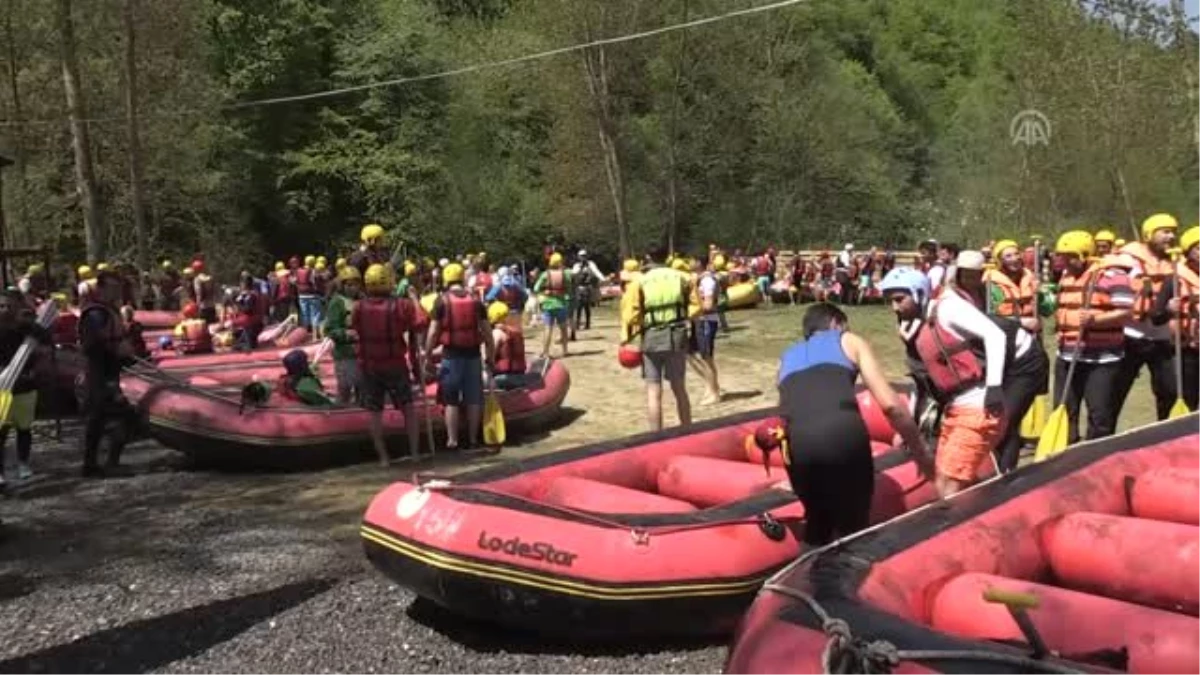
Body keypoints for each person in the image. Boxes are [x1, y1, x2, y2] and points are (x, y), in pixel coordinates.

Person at [769, 303, 931, 549]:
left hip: (797, 444)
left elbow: (786, 413)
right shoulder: (849, 340)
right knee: (854, 529)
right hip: (842, 434)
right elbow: (891, 406)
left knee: (817, 525)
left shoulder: (787, 356)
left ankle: (808, 583)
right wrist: (919, 449)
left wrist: (795, 474)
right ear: (836, 323)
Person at [879, 267, 1007, 497]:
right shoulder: (919, 324)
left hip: (979, 406)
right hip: (955, 409)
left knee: (948, 485)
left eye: (900, 300)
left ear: (918, 293)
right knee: (945, 480)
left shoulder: (948, 308)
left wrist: (995, 386)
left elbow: (996, 335)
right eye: (891, 301)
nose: (894, 308)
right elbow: (922, 380)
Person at [1051, 231, 1134, 443]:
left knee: (1099, 414)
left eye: (1071, 256)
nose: (1065, 261)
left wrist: (1096, 320)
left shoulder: (1112, 275)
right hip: (1068, 356)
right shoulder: (1066, 275)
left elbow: (1126, 312)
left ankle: (1097, 454)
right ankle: (1066, 452)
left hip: (1102, 359)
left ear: (1085, 254)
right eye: (1062, 256)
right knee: (1064, 409)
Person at [985, 239, 1052, 472]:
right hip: (1003, 351)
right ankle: (1002, 464)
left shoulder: (1030, 278)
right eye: (1008, 256)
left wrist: (1043, 296)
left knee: (1011, 416)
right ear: (999, 260)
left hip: (1030, 354)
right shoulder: (991, 283)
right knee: (1006, 417)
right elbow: (988, 316)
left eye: (1016, 255)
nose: (1015, 259)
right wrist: (1021, 321)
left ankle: (1007, 465)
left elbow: (1048, 310)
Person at [352, 264, 420, 466]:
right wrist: (415, 298)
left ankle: (383, 458)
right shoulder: (402, 305)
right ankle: (415, 453)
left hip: (369, 366)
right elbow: (420, 323)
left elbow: (355, 328)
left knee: (374, 412)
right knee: (407, 407)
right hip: (395, 364)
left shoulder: (358, 307)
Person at [1113, 213, 1179, 422]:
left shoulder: (1177, 262)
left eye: (1173, 232)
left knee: (1169, 392)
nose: (1171, 237)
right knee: (1115, 393)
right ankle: (1102, 437)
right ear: (1149, 234)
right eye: (1165, 232)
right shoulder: (1127, 259)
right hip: (1130, 336)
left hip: (1162, 338)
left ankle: (1165, 438)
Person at [79, 271, 140, 477]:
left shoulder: (110, 311)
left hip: (112, 370)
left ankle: (108, 462)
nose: (116, 292)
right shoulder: (95, 314)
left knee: (116, 417)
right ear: (102, 288)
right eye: (112, 288)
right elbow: (91, 346)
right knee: (102, 418)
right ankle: (93, 465)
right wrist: (116, 351)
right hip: (99, 372)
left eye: (118, 288)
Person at [428, 263, 495, 450]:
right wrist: (490, 357)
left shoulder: (441, 301)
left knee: (450, 400)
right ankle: (473, 439)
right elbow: (488, 334)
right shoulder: (476, 301)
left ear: (446, 280)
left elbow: (433, 332)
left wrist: (427, 355)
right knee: (474, 398)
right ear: (462, 279)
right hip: (473, 356)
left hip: (451, 356)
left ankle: (452, 440)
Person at [624, 255, 694, 431]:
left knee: (653, 391)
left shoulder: (640, 282)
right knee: (679, 388)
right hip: (677, 336)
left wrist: (645, 322)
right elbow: (696, 308)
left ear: (646, 260)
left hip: (652, 338)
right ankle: (687, 430)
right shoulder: (683, 278)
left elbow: (631, 316)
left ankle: (656, 434)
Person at [0, 290, 52, 483]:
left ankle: (23, 464)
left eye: (9, 306)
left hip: (25, 387)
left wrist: (34, 329)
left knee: (24, 428)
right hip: (2, 388)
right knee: (1, 430)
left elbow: (46, 340)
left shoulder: (27, 328)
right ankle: (1, 474)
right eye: (2, 306)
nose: (5, 310)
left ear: (18, 306)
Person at [1162, 226, 1200, 411]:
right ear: (1188, 252)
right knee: (1189, 400)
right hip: (1187, 352)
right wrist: (1168, 308)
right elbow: (1156, 316)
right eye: (1198, 248)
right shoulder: (1174, 279)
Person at [325, 265, 363, 404]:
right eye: (348, 285)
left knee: (362, 388)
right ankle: (342, 411)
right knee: (345, 388)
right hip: (344, 353)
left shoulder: (362, 300)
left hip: (362, 353)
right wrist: (346, 334)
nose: (352, 288)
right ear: (342, 285)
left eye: (355, 284)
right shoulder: (337, 302)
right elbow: (329, 329)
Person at [691, 258, 723, 405]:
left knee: (707, 357)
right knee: (690, 353)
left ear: (699, 263)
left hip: (706, 320)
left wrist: (691, 309)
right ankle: (710, 385)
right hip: (698, 320)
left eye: (692, 261)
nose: (689, 263)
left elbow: (708, 304)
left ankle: (714, 392)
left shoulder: (707, 280)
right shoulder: (698, 279)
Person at [533, 253, 572, 358]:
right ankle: (565, 350)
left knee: (548, 328)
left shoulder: (546, 274)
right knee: (563, 328)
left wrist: (544, 292)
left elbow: (536, 288)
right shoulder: (565, 274)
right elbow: (569, 288)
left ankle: (545, 352)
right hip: (561, 304)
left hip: (548, 304)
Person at [489, 301, 530, 390]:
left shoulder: (496, 333)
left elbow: (490, 357)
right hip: (520, 376)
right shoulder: (516, 331)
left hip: (503, 378)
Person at [570, 250, 604, 336]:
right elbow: (573, 274)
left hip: (588, 287)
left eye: (584, 256)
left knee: (587, 306)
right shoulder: (576, 265)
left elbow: (597, 272)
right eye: (581, 256)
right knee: (579, 306)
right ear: (578, 256)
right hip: (579, 287)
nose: (583, 257)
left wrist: (603, 279)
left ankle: (587, 323)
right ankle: (577, 323)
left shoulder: (591, 264)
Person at [230, 273, 266, 351]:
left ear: (244, 284)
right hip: (254, 321)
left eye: (241, 283)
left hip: (251, 322)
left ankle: (247, 343)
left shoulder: (251, 295)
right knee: (237, 345)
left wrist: (238, 304)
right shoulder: (251, 294)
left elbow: (247, 309)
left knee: (246, 345)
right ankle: (245, 341)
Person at [294, 254, 324, 342]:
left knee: (304, 315)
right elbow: (315, 283)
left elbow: (295, 281)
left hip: (301, 295)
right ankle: (314, 337)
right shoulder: (313, 271)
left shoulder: (299, 271)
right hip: (313, 295)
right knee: (315, 315)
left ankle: (305, 337)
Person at [192, 260, 218, 325]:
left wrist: (197, 306)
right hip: (212, 305)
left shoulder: (197, 279)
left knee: (203, 326)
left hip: (203, 306)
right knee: (212, 325)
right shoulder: (210, 278)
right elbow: (215, 291)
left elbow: (199, 294)